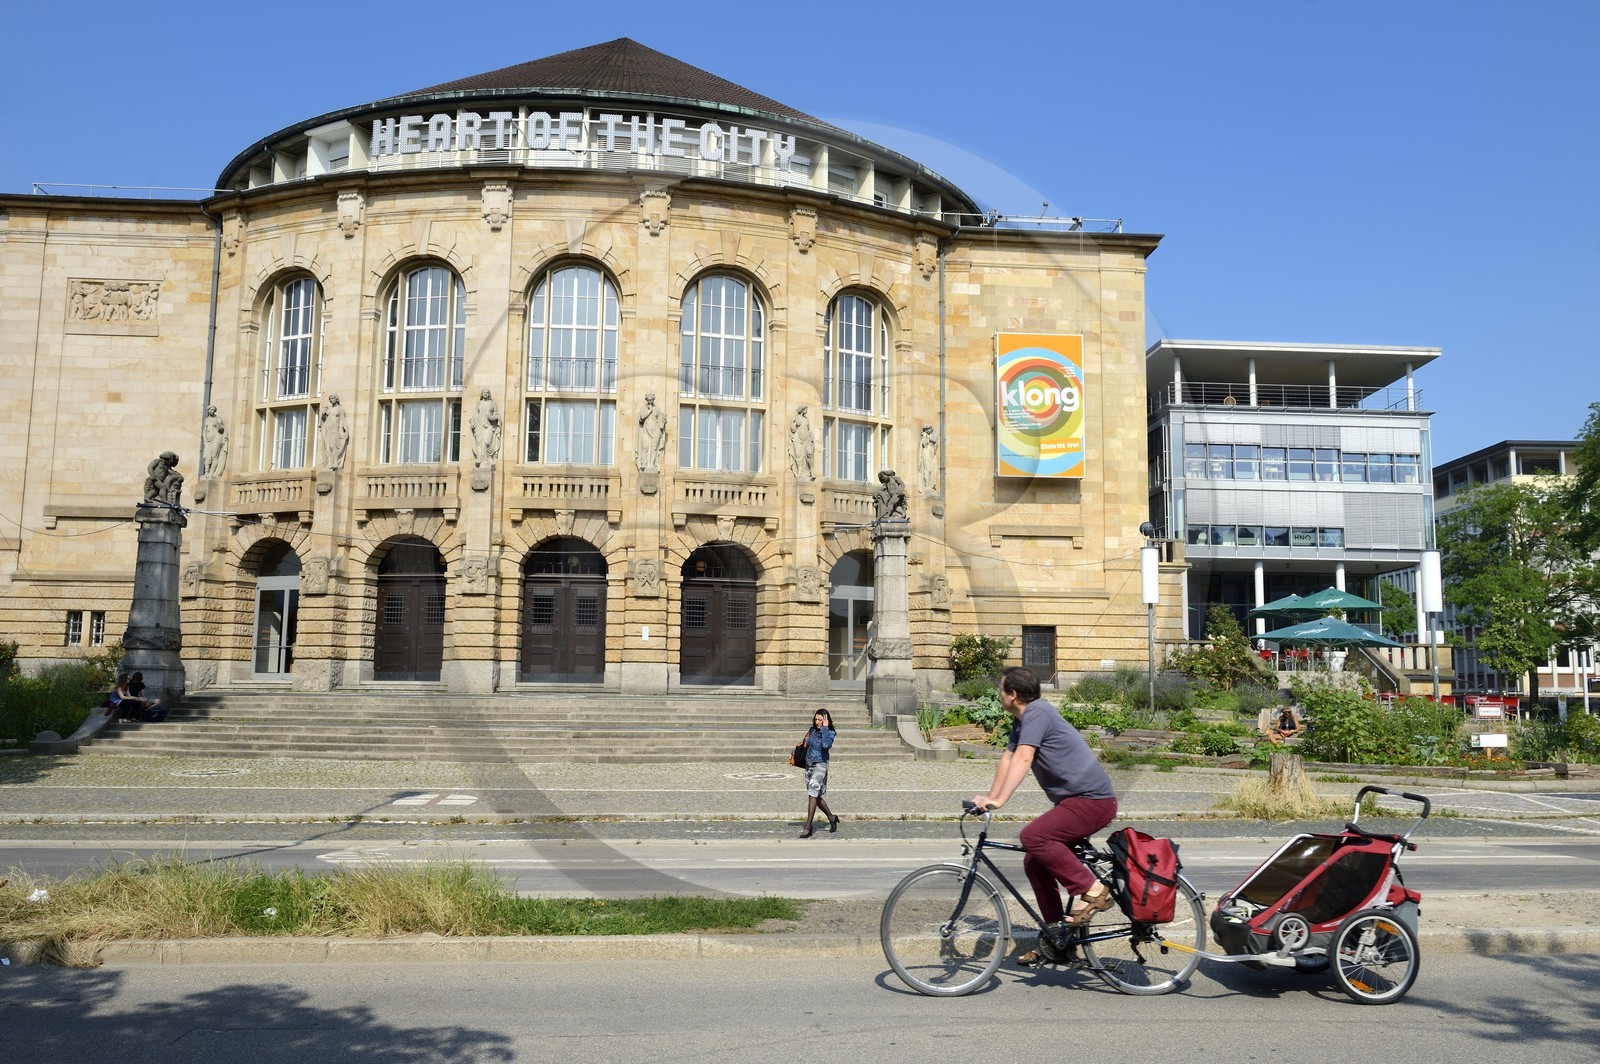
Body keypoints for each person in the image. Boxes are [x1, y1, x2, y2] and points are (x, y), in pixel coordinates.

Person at [972, 666, 1118, 966]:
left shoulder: (1037, 713)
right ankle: (1057, 940)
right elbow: (1010, 757)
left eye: (1001, 690)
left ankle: (1092, 888)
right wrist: (990, 798)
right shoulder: (1023, 719)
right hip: (1077, 801)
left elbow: (1025, 757)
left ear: (1012, 695)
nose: (998, 694)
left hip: (1092, 801)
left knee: (1032, 836)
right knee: (1035, 862)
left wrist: (1000, 799)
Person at [798, 709, 841, 838]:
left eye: (820, 720)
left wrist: (825, 729)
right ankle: (832, 818)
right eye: (816, 719)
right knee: (815, 796)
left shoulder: (830, 732)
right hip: (809, 764)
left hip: (821, 764)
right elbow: (807, 744)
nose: (817, 722)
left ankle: (808, 826)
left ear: (825, 720)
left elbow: (826, 745)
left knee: (812, 793)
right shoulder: (812, 730)